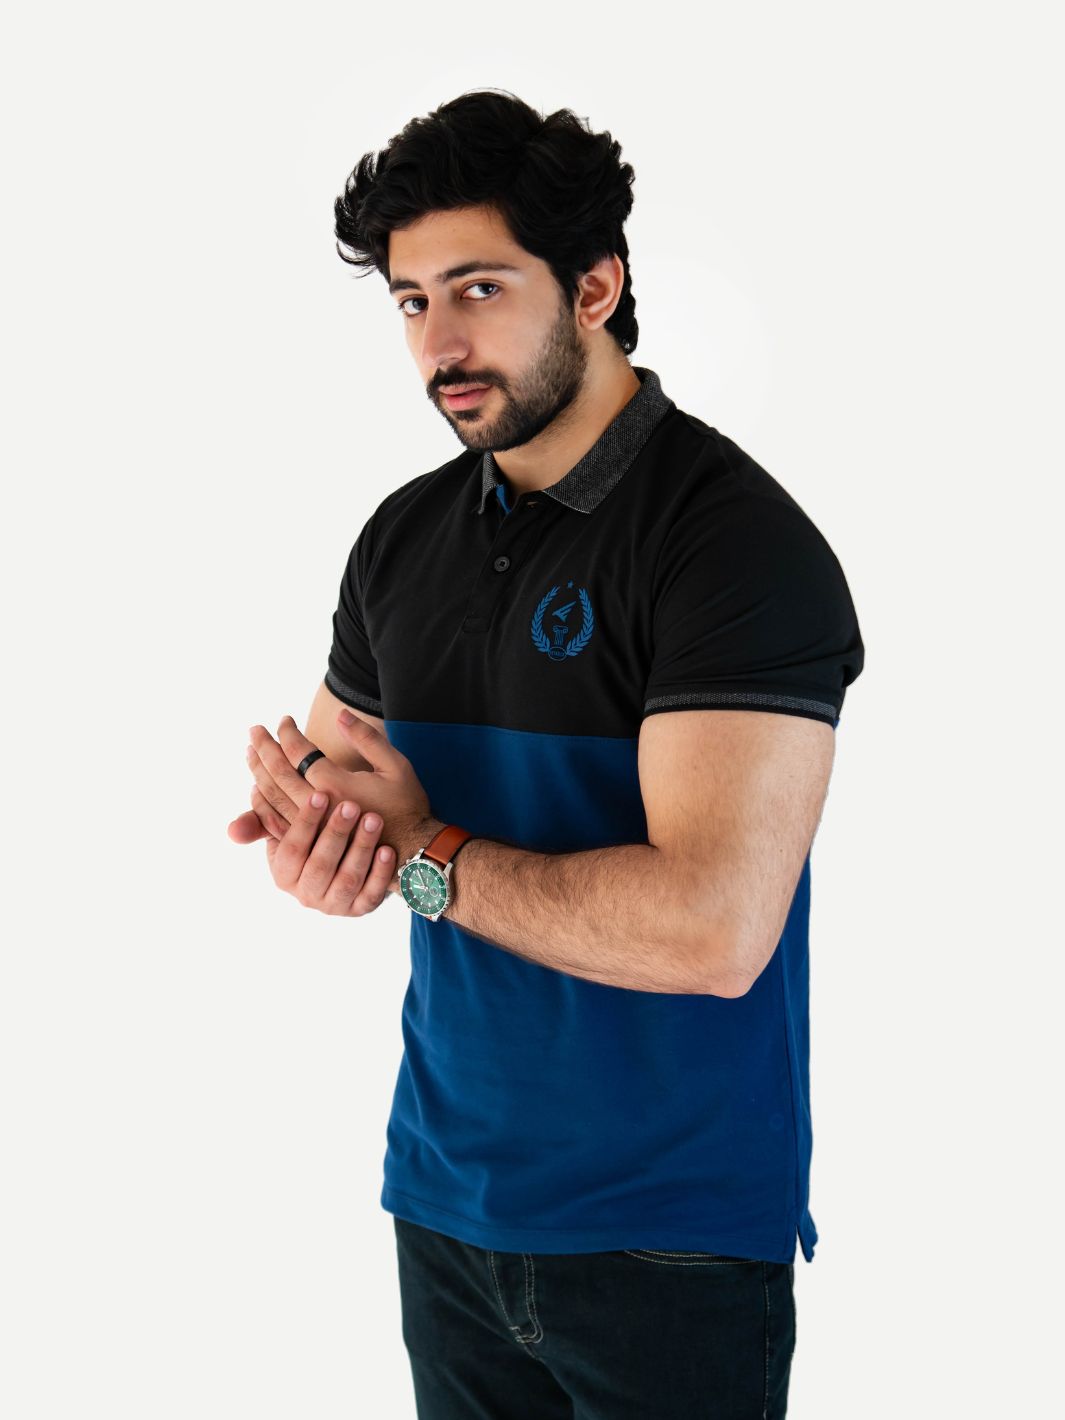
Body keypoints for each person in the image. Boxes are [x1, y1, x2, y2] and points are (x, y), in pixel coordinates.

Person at [229, 87, 865, 1419]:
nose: (439, 344)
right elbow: (350, 805)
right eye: (411, 301)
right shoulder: (401, 540)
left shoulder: (730, 545)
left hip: (671, 1236)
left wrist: (420, 855)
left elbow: (712, 930)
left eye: (478, 288)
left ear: (594, 288)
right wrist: (322, 846)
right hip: (444, 1204)